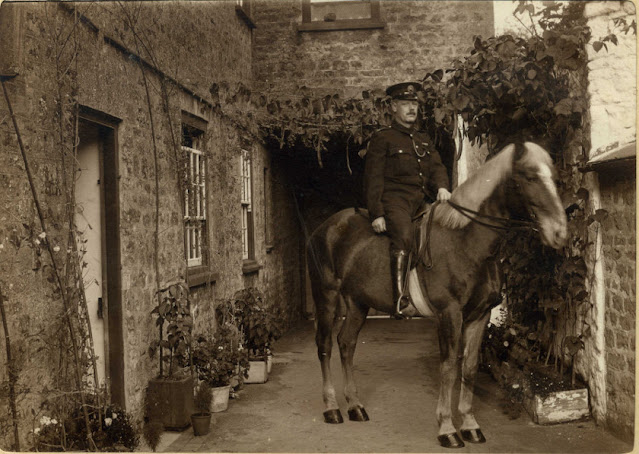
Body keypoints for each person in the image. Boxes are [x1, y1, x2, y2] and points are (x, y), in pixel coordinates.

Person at [363, 81, 451, 319]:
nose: (411, 109)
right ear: (393, 107)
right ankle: (401, 299)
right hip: (395, 202)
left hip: (421, 202)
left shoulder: (423, 139)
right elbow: (373, 179)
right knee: (403, 236)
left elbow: (437, 168)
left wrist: (442, 187)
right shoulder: (384, 139)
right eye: (405, 104)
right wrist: (377, 213)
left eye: (414, 104)